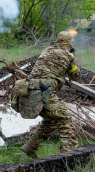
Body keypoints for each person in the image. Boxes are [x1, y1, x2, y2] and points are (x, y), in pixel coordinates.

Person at [20, 31, 81, 159]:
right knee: (65, 120)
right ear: (69, 43)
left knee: (52, 120)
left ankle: (30, 147)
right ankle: (69, 158)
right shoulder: (68, 55)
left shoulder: (46, 50)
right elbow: (75, 76)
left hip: (29, 90)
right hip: (44, 91)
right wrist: (73, 60)